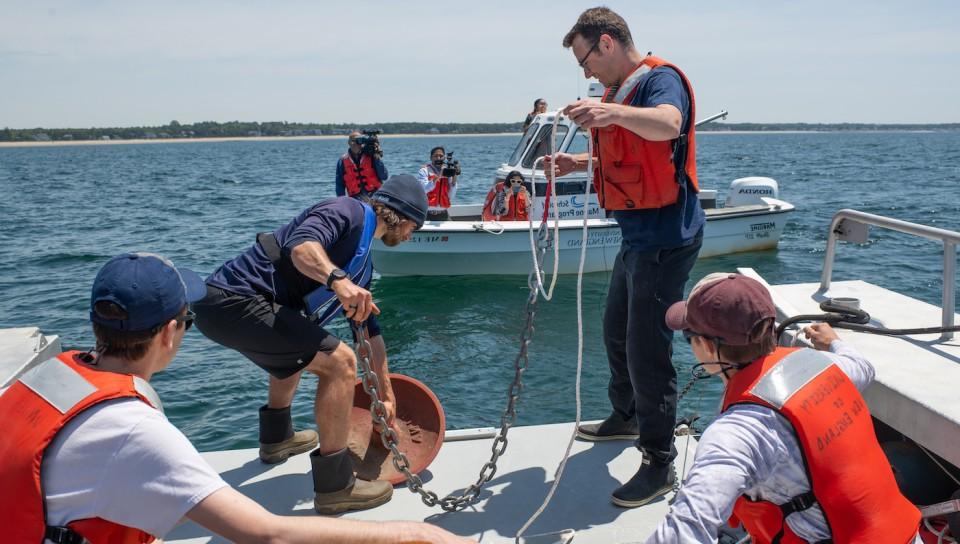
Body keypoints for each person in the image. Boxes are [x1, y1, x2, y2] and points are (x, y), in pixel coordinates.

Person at [0, 252, 470, 544]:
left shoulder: (52, 374)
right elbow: (267, 535)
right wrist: (411, 534)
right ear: (169, 333)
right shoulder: (131, 431)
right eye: (186, 320)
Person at [194, 174, 429, 515]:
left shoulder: (363, 268)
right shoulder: (346, 211)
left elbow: (370, 335)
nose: (409, 237)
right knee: (340, 363)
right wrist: (338, 281)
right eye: (414, 230)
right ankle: (336, 487)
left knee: (300, 345)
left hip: (230, 308)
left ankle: (277, 440)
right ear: (404, 218)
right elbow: (302, 247)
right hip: (230, 301)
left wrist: (388, 397)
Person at [546, 7, 706, 507]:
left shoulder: (660, 82)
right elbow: (632, 153)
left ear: (608, 43)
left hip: (666, 238)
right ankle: (628, 415)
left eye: (586, 59)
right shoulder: (620, 93)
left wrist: (610, 112)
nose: (586, 72)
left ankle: (658, 463)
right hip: (637, 238)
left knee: (648, 350)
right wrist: (579, 161)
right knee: (615, 328)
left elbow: (667, 125)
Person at [646, 272, 922, 543]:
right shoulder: (823, 365)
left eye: (689, 336)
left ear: (706, 346)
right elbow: (863, 367)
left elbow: (683, 532)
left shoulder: (738, 433)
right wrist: (833, 342)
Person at [335, 130, 388, 198]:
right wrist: (341, 201)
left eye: (358, 140)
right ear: (348, 143)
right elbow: (339, 185)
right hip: (355, 198)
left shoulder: (371, 156)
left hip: (375, 195)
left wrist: (377, 158)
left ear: (362, 142)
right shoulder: (342, 161)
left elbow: (384, 176)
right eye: (352, 140)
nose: (355, 143)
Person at [417, 146, 458, 221]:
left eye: (441, 156)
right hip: (427, 214)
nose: (438, 158)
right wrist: (439, 176)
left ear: (444, 157)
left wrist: (455, 174)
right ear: (431, 158)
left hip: (443, 213)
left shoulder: (447, 170)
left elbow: (451, 193)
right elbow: (424, 189)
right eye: (435, 156)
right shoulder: (424, 171)